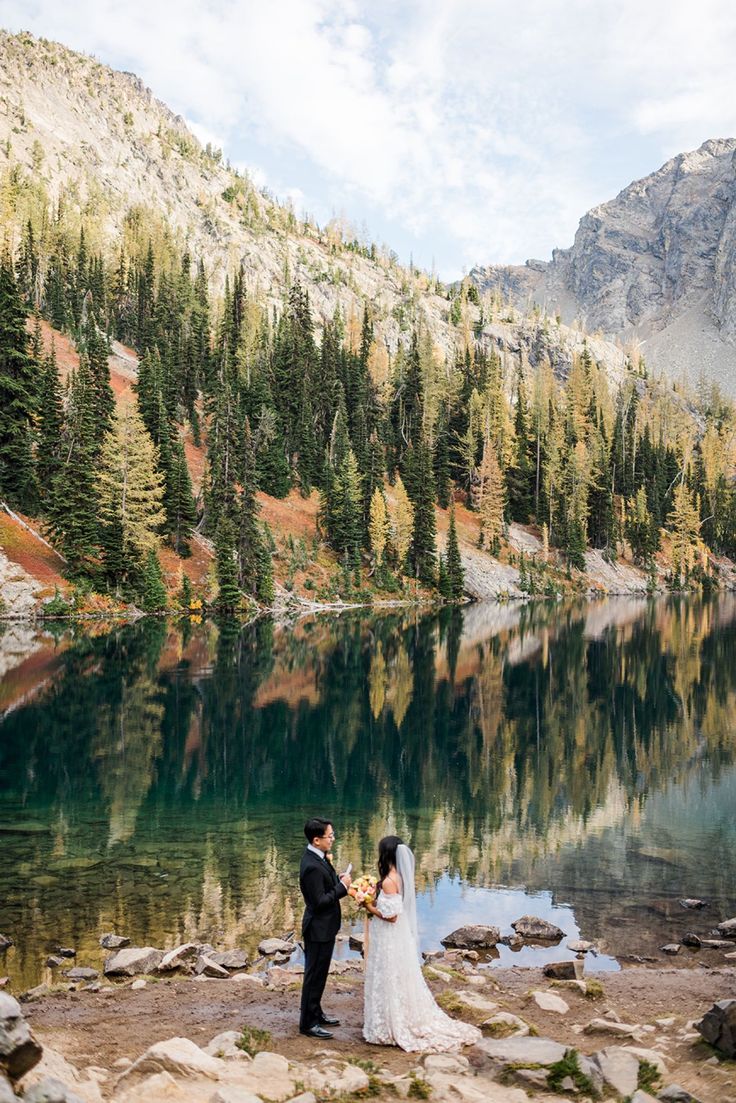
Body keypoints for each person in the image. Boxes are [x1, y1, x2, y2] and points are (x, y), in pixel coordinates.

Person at [362, 836, 482, 1052]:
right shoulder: (400, 877)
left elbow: (392, 917)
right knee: (398, 976)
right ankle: (397, 1017)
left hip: (390, 934)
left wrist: (368, 906)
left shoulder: (389, 881)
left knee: (389, 975)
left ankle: (390, 1025)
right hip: (398, 936)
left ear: (386, 854)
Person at [298, 817, 352, 1039]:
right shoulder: (310, 865)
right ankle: (307, 1024)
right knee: (314, 975)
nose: (333, 839)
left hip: (325, 927)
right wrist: (342, 888)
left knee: (320, 975)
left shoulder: (317, 856)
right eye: (330, 836)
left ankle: (316, 1012)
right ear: (316, 839)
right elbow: (318, 901)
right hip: (318, 929)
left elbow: (323, 883)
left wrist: (336, 879)